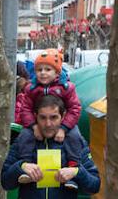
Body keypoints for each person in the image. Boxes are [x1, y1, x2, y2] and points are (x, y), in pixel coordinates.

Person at [16, 49, 83, 189]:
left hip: (63, 124)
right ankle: (27, 166)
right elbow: (25, 109)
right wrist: (34, 126)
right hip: (37, 123)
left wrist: (64, 128)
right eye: (39, 69)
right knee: (25, 135)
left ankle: (73, 169)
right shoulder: (32, 88)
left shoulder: (66, 87)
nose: (43, 73)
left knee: (75, 136)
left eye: (48, 69)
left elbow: (75, 109)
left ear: (57, 72)